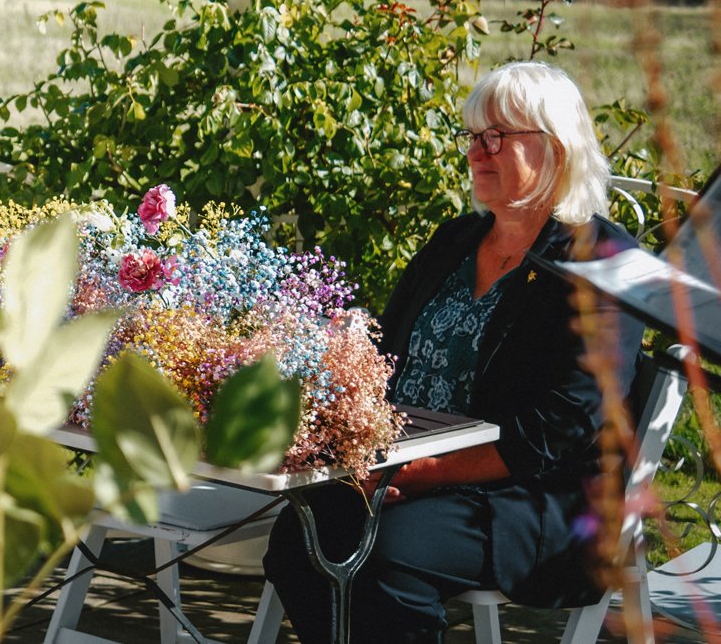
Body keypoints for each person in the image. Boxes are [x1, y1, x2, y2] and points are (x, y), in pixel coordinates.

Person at [262, 60, 644, 644]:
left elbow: (559, 427)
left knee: (390, 554)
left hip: (538, 497)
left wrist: (424, 475)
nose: (477, 152)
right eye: (473, 136)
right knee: (299, 536)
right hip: (411, 469)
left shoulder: (600, 260)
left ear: (557, 150)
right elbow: (385, 352)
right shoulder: (457, 241)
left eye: (498, 137)